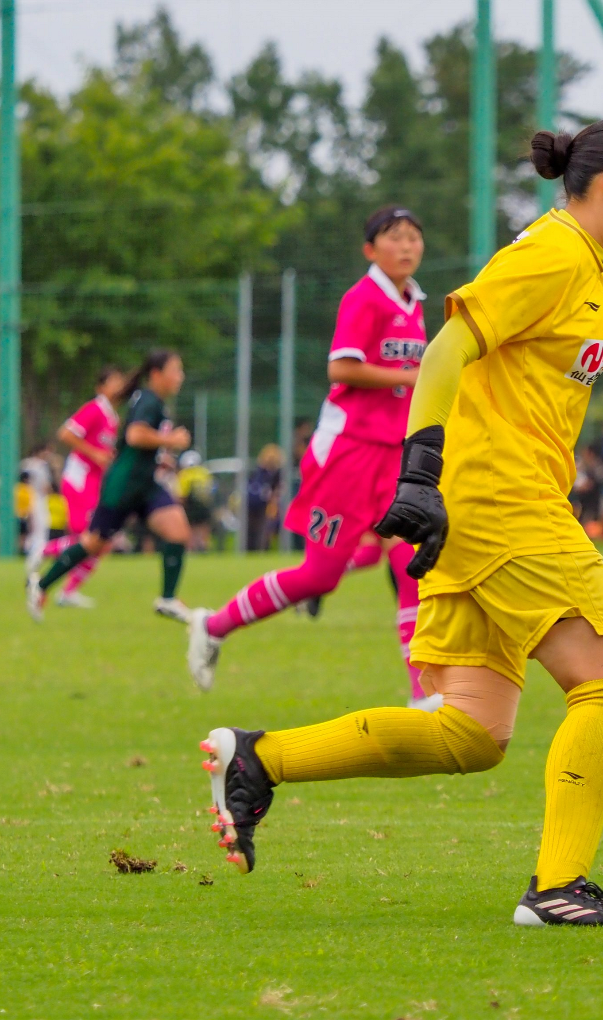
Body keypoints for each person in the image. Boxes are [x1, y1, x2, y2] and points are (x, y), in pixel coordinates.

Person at [194, 118, 603, 926]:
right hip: (501, 501)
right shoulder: (547, 253)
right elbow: (447, 349)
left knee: (470, 734)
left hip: (480, 513)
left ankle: (262, 759)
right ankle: (558, 890)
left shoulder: (577, 265)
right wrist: (420, 471)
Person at [187, 204, 433, 707]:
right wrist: (411, 376)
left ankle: (422, 692)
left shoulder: (414, 301)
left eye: (414, 236)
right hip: (348, 453)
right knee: (320, 575)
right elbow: (342, 368)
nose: (407, 245)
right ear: (370, 250)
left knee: (412, 562)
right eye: (394, 236)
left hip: (394, 453)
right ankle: (213, 625)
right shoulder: (364, 298)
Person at [27, 350, 194, 622]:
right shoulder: (148, 401)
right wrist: (170, 440)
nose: (180, 376)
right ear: (156, 374)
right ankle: (42, 585)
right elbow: (136, 435)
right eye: (176, 370)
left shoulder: (152, 402)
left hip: (145, 484)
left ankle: (168, 599)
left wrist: (161, 456)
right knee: (93, 542)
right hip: (124, 486)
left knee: (177, 530)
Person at [33, 366, 125, 608]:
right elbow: (66, 433)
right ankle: (41, 552)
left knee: (100, 542)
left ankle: (68, 591)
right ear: (101, 388)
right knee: (94, 538)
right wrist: (95, 453)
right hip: (79, 480)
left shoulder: (113, 418)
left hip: (94, 484)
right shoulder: (95, 408)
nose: (119, 385)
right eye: (114, 381)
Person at [245, 444, 283, 551]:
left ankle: (262, 548)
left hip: (267, 506)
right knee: (251, 530)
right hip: (252, 505)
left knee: (265, 529)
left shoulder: (277, 474)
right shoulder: (257, 472)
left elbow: (277, 491)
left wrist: (273, 503)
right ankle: (250, 549)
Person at [177, 450, 215, 552]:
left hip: (190, 507)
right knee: (204, 530)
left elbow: (182, 495)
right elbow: (210, 491)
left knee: (190, 530)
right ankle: (204, 548)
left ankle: (191, 549)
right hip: (204, 506)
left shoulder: (184, 475)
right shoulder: (204, 473)